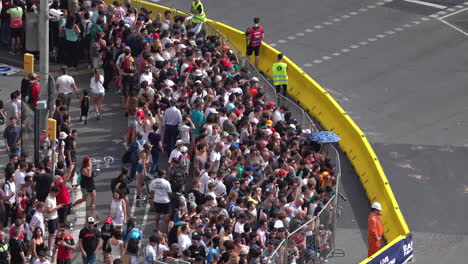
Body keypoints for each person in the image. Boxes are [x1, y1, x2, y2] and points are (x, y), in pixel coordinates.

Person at [45, 187, 63, 253]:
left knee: (55, 233)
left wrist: (57, 211)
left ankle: (52, 246)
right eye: (56, 193)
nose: (57, 195)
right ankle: (49, 249)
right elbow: (48, 210)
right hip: (51, 219)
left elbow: (54, 208)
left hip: (55, 217)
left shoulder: (54, 197)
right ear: (53, 192)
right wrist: (57, 207)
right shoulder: (48, 199)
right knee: (51, 235)